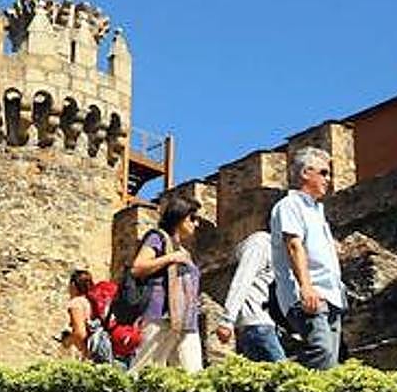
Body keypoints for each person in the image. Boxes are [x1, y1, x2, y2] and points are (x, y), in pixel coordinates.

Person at [271, 147, 345, 370]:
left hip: (331, 295)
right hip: (309, 294)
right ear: (305, 173)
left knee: (330, 360)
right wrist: (306, 287)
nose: (328, 179)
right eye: (323, 173)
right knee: (321, 350)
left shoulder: (316, 211)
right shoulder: (290, 205)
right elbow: (294, 245)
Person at [129, 194, 204, 373]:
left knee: (193, 374)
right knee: (144, 371)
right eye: (192, 218)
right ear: (179, 217)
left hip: (187, 320)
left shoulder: (184, 251)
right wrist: (170, 258)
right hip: (160, 316)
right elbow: (137, 268)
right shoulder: (157, 238)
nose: (197, 224)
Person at [216, 231, 285, 362]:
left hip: (268, 325)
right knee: (285, 376)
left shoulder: (278, 250)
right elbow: (242, 280)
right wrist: (227, 320)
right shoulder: (259, 244)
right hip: (257, 323)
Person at [61, 269, 94, 359]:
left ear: (73, 285)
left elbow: (80, 333)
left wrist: (68, 340)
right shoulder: (90, 302)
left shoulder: (76, 303)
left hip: (88, 353)